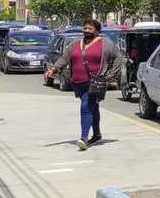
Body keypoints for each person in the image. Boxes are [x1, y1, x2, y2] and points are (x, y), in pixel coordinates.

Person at [45, 19, 120, 150]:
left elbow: (117, 58)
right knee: (93, 107)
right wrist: (53, 69)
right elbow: (65, 58)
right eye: (85, 28)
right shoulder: (75, 43)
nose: (87, 31)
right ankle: (97, 134)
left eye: (90, 29)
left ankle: (84, 138)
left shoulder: (106, 44)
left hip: (94, 83)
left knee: (86, 107)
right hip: (77, 82)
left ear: (97, 31)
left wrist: (110, 76)